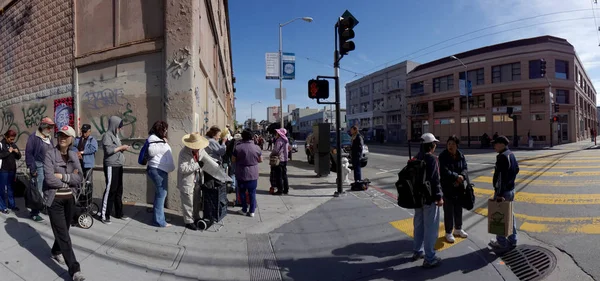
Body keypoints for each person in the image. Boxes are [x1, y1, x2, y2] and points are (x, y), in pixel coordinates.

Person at [43, 125, 85, 281]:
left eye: (66, 136)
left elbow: (79, 177)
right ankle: (74, 270)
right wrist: (69, 178)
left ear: (71, 139)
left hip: (70, 200)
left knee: (64, 231)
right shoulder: (49, 154)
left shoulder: (74, 155)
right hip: (55, 200)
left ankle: (55, 251)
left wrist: (62, 177)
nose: (62, 137)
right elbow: (49, 178)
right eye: (60, 134)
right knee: (64, 235)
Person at [412, 133, 444, 268]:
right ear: (431, 145)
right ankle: (430, 258)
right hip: (429, 198)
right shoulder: (432, 159)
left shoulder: (416, 157)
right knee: (431, 228)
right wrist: (439, 197)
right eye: (434, 143)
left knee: (418, 225)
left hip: (417, 198)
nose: (435, 145)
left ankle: (418, 251)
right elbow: (435, 179)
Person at [489, 135, 519, 250]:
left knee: (500, 216)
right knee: (510, 215)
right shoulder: (511, 154)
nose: (494, 146)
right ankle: (513, 239)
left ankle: (501, 242)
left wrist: (499, 194)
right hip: (511, 189)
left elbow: (500, 178)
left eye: (495, 144)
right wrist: (511, 181)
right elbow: (517, 169)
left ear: (502, 144)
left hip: (503, 192)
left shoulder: (502, 157)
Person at [178, 132, 212, 230]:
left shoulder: (201, 150)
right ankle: (188, 221)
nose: (197, 148)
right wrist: (197, 165)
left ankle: (196, 217)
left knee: (197, 200)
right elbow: (182, 169)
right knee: (188, 202)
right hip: (187, 181)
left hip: (198, 179)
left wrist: (215, 162)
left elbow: (207, 158)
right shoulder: (183, 153)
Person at [100, 116, 130, 224]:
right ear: (114, 125)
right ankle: (104, 215)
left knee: (118, 190)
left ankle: (119, 212)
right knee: (110, 190)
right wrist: (121, 148)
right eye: (119, 127)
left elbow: (116, 150)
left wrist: (122, 149)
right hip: (111, 166)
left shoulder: (116, 136)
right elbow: (108, 150)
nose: (120, 129)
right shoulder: (107, 136)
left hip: (118, 165)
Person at [438, 135, 468, 243]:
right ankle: (448, 232)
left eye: (453, 144)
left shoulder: (461, 155)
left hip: (459, 187)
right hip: (448, 187)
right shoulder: (443, 156)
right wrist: (456, 176)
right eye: (449, 144)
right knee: (448, 211)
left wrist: (462, 176)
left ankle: (458, 229)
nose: (450, 146)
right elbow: (444, 171)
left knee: (458, 209)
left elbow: (465, 168)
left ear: (457, 145)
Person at [25, 117, 55, 221]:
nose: (50, 129)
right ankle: (34, 212)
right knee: (38, 190)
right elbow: (28, 153)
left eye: (51, 127)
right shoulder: (34, 137)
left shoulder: (49, 137)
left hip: (49, 167)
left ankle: (44, 207)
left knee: (47, 189)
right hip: (38, 166)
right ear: (43, 126)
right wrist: (32, 169)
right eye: (49, 127)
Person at [146, 121, 175, 228]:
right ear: (160, 129)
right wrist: (162, 143)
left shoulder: (158, 139)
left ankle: (159, 217)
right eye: (165, 129)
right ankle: (159, 221)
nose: (166, 131)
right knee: (161, 195)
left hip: (160, 170)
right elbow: (151, 152)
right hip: (157, 170)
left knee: (160, 194)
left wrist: (163, 142)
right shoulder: (153, 138)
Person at [233, 130, 262, 217]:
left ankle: (244, 209)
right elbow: (260, 160)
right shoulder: (257, 147)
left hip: (241, 172)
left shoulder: (238, 147)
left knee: (241, 192)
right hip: (253, 172)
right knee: (252, 192)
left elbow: (233, 160)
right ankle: (252, 211)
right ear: (252, 137)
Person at [0, 130, 21, 214]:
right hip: (3, 170)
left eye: (13, 139)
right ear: (6, 137)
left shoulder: (13, 144)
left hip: (12, 170)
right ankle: (2, 207)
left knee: (11, 188)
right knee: (2, 189)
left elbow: (19, 157)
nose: (12, 141)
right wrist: (8, 152)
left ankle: (12, 205)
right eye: (11, 139)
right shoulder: (1, 144)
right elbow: (0, 155)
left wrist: (17, 152)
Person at [271, 128, 289, 195]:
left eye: (277, 133)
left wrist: (271, 154)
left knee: (279, 176)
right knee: (284, 175)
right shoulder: (286, 140)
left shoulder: (279, 140)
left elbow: (275, 150)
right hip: (285, 160)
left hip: (279, 160)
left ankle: (280, 190)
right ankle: (286, 189)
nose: (276, 134)